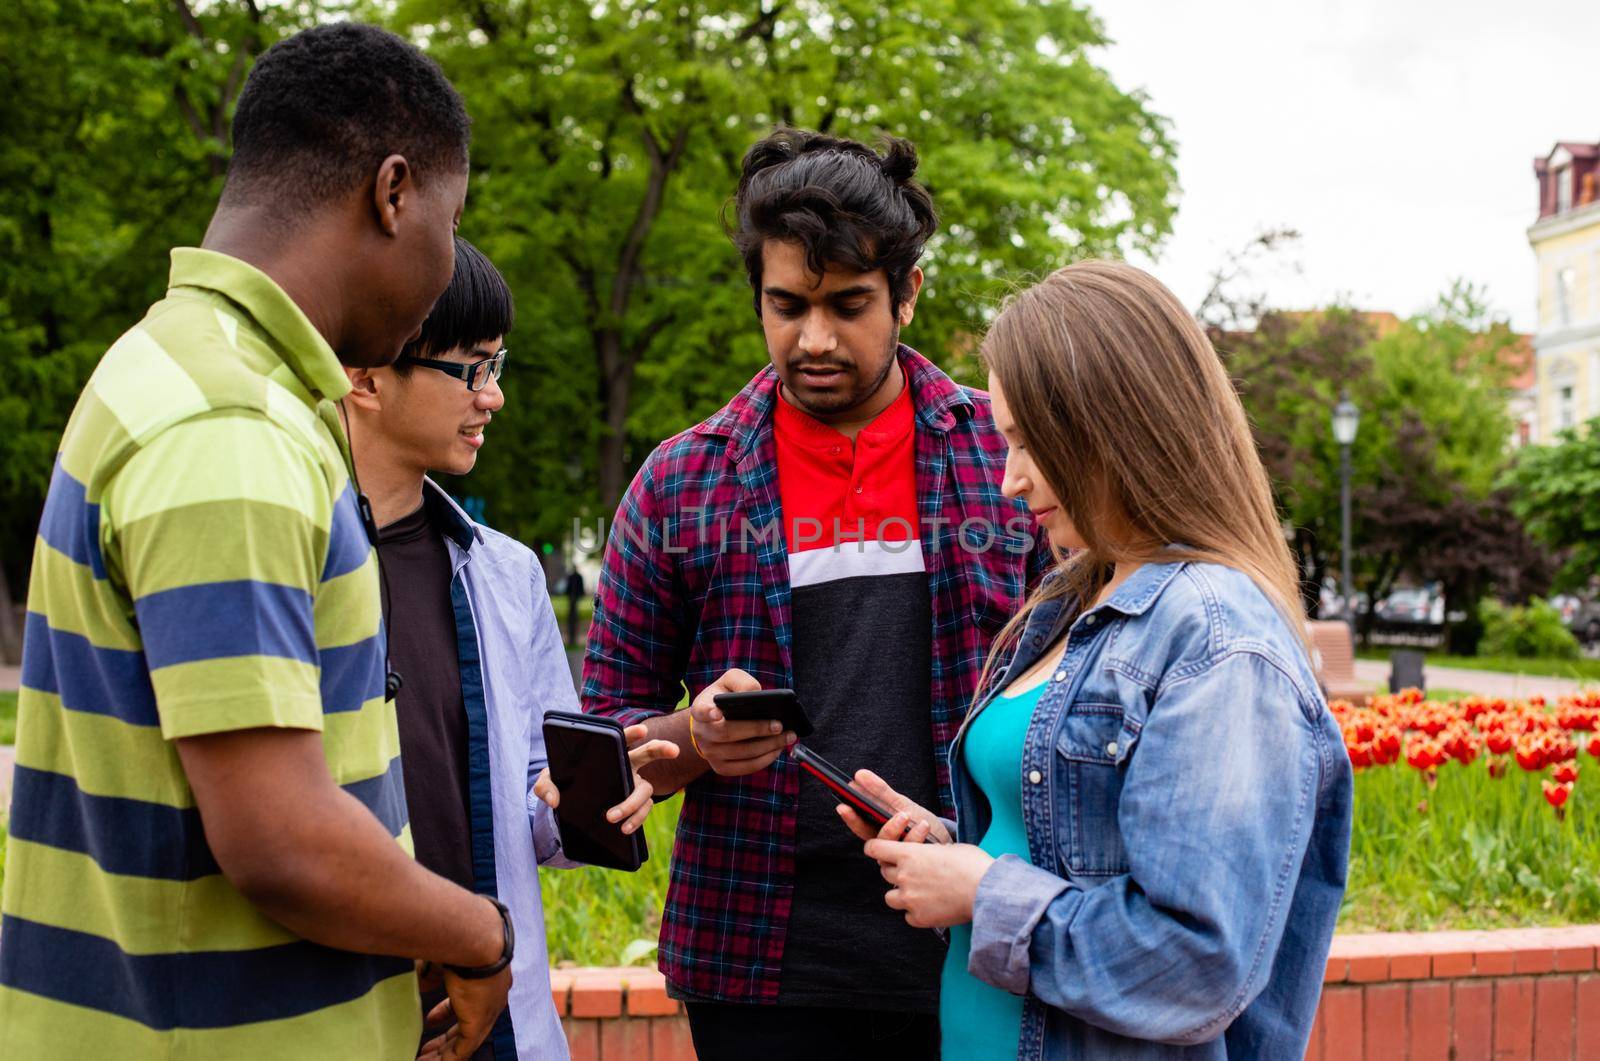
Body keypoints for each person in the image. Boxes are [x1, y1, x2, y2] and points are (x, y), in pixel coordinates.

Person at [0, 24, 513, 1060]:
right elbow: (282, 843)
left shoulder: (173, 366)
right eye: (450, 223)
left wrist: (393, 915)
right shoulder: (229, 428)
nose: (445, 261)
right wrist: (477, 930)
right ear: (394, 192)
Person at [582, 128, 1049, 1059]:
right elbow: (603, 742)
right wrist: (697, 742)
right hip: (755, 966)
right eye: (787, 305)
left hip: (973, 936)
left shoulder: (1006, 460)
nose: (816, 338)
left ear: (909, 295)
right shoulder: (682, 482)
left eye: (850, 304)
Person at [841, 260, 1354, 1059]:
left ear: (1104, 427)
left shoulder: (1218, 640)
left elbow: (1197, 963)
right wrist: (953, 852)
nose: (1010, 480)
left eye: (1025, 443)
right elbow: (1067, 847)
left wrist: (983, 891)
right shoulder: (1072, 598)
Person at [339, 235, 677, 1059]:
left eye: (499, 366)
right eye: (470, 369)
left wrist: (599, 793)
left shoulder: (508, 573)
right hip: (345, 1004)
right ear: (368, 374)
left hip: (491, 1012)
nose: (491, 397)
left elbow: (536, 808)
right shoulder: (290, 554)